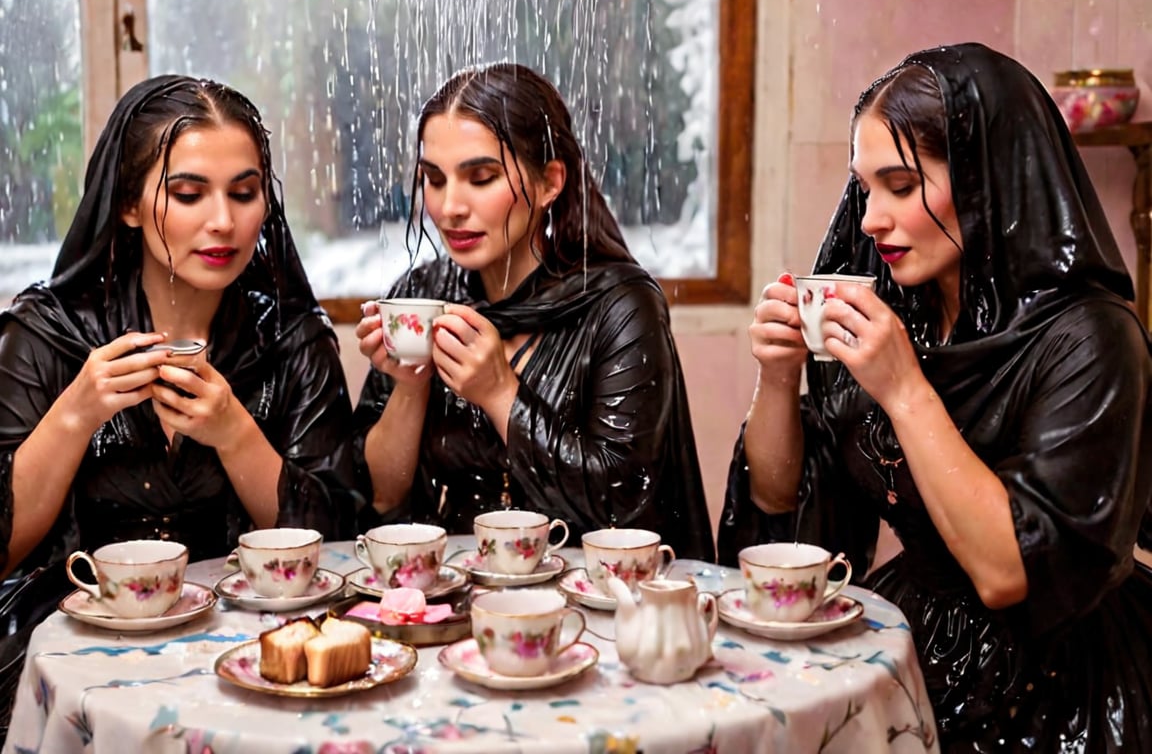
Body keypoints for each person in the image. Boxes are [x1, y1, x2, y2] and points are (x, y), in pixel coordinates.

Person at [719, 43, 1152, 751]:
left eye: (900, 185)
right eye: (865, 189)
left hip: (1063, 688)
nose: (869, 221)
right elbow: (786, 506)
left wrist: (904, 390)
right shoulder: (906, 312)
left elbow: (1011, 573)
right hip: (913, 636)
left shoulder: (1093, 339)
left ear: (989, 179)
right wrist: (778, 377)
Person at [0, 76, 360, 732]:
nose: (222, 221)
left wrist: (235, 434)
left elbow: (340, 545)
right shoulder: (47, 333)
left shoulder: (292, 338)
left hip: (251, 651)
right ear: (129, 205)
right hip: (60, 649)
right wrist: (76, 413)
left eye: (244, 194)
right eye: (188, 194)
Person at [353, 62, 714, 561]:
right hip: (452, 596)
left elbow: (623, 504)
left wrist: (501, 395)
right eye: (434, 179)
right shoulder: (422, 292)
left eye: (480, 178)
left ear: (550, 183)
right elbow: (379, 498)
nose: (450, 206)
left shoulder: (620, 306)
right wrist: (412, 382)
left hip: (588, 604)